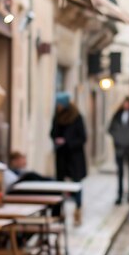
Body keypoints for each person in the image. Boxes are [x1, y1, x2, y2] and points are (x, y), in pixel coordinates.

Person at [50, 92, 87, 226]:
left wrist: (67, 142)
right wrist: (57, 140)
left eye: (60, 104)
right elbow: (52, 132)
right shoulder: (57, 116)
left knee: (76, 185)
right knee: (59, 185)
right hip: (62, 157)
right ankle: (59, 212)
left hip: (74, 157)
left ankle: (77, 211)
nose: (58, 106)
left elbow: (82, 138)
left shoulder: (77, 117)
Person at [108, 96, 129, 204]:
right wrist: (118, 139)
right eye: (125, 103)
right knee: (120, 172)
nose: (126, 105)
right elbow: (111, 129)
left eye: (128, 103)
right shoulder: (117, 116)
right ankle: (119, 195)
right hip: (120, 148)